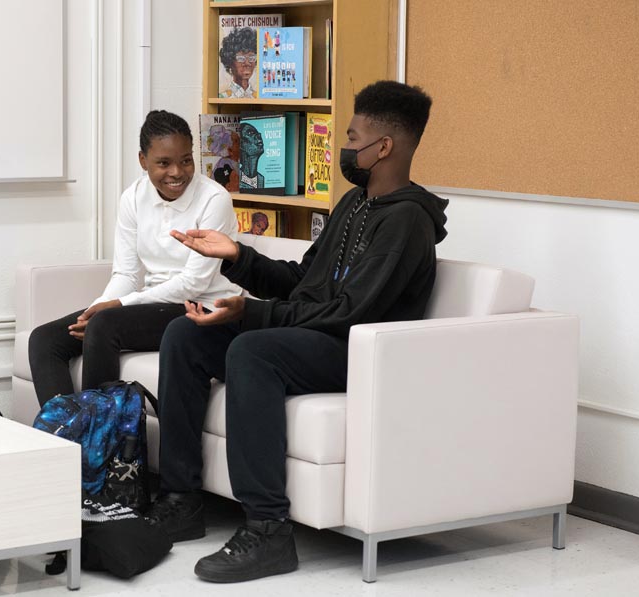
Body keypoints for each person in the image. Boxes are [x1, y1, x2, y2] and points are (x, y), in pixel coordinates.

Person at [145, 81, 448, 583]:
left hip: (356, 350)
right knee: (185, 335)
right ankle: (182, 499)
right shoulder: (354, 203)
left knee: (251, 351)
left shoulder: (407, 223)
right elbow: (304, 284)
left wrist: (249, 314)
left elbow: (349, 313)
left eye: (352, 137)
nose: (345, 147)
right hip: (316, 336)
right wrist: (237, 256)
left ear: (384, 147)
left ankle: (268, 531)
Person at [28, 110, 241, 406]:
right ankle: (72, 439)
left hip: (202, 307)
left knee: (105, 326)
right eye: (164, 163)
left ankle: (105, 441)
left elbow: (194, 283)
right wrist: (92, 311)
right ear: (143, 160)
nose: (177, 172)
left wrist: (114, 308)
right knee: (45, 340)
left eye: (185, 160)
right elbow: (127, 275)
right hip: (153, 305)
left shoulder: (214, 199)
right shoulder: (133, 197)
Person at [219, 27, 258, 99]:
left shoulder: (258, 97)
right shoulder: (223, 97)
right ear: (230, 61)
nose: (247, 63)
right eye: (241, 58)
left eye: (252, 58)